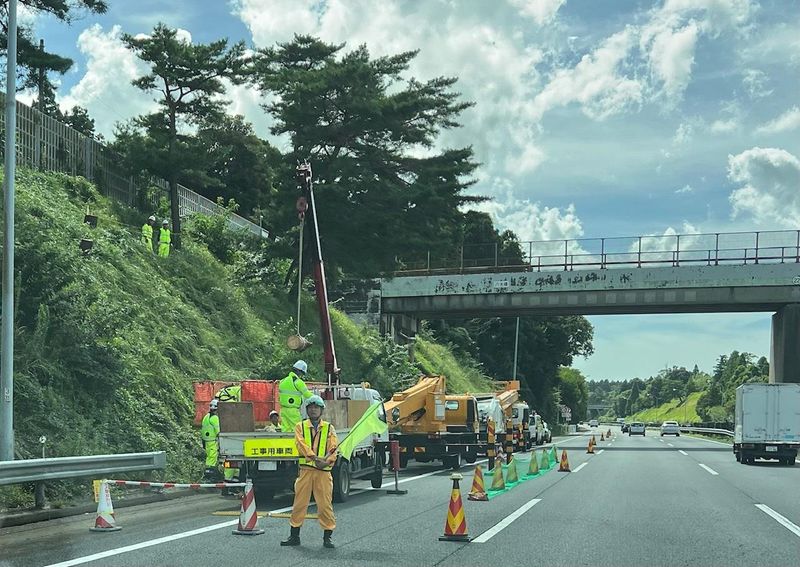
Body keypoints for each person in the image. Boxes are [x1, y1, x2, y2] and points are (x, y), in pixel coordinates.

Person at [281, 395, 338, 549]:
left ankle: (327, 537)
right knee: (299, 504)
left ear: (321, 410)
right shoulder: (300, 426)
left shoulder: (329, 428)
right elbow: (301, 444)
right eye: (310, 407)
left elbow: (333, 447)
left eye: (316, 407)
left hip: (323, 472)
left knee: (325, 505)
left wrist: (327, 461)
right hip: (306, 471)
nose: (313, 410)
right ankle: (294, 536)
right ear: (306, 410)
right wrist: (314, 458)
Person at [278, 360, 313, 432]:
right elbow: (308, 395)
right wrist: (319, 398)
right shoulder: (298, 382)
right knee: (297, 430)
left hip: (283, 410)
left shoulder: (282, 381)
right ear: (299, 371)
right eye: (302, 374)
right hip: (293, 411)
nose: (301, 376)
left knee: (285, 430)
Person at [200, 400, 221, 480]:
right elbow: (218, 431)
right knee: (212, 456)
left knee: (209, 456)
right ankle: (211, 473)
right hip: (212, 441)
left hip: (206, 440)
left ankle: (207, 472)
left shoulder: (206, 417)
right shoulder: (215, 418)